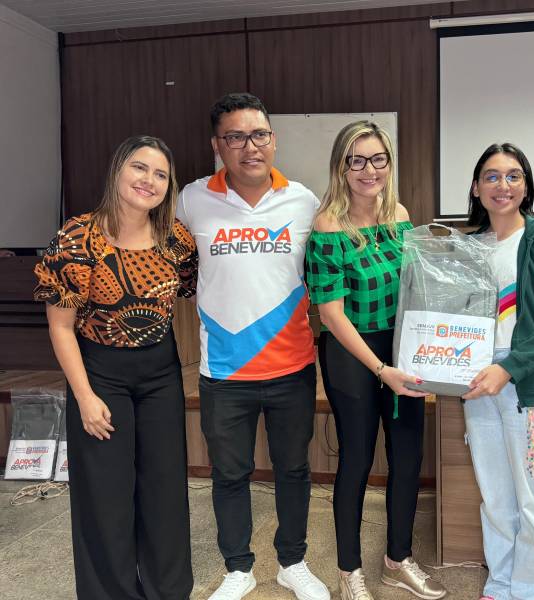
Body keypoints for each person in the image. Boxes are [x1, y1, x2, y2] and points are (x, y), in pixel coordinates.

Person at [176, 93, 329, 600]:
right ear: (217, 145)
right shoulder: (191, 200)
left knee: (294, 469)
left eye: (259, 134)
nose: (250, 147)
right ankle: (238, 568)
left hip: (292, 365)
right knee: (229, 474)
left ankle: (293, 562)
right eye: (235, 137)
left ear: (273, 140)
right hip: (224, 371)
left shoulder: (303, 201)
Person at [34, 135, 197, 599]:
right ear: (118, 171)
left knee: (165, 490)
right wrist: (85, 397)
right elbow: (61, 327)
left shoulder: (175, 238)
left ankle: (168, 591)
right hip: (99, 373)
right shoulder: (77, 237)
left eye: (161, 174)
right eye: (139, 168)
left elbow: (193, 292)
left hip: (160, 372)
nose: (149, 181)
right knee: (105, 495)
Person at [306, 121, 447, 600]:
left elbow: (415, 285)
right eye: (357, 160)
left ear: (389, 163)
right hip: (352, 352)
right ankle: (349, 571)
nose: (370, 170)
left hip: (401, 346)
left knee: (408, 455)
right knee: (357, 459)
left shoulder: (398, 215)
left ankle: (397, 560)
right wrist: (381, 369)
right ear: (341, 167)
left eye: (378, 159)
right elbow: (331, 313)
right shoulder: (328, 226)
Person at [461, 143, 534, 600]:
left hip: (530, 386)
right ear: (476, 187)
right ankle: (501, 583)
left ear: (526, 186)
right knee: (495, 497)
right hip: (479, 383)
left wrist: (508, 369)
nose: (502, 185)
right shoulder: (469, 247)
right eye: (491, 176)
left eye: (513, 176)